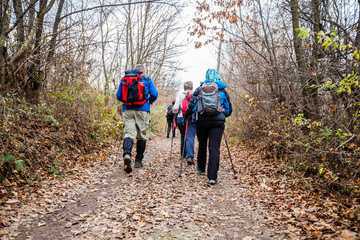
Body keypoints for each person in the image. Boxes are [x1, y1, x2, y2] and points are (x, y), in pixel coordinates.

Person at [184, 69, 232, 185]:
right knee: (214, 148)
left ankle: (201, 168)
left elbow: (192, 106)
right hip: (218, 122)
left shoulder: (200, 89)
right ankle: (212, 176)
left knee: (202, 144)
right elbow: (229, 110)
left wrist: (187, 115)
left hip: (202, 121)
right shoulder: (223, 90)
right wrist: (222, 114)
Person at [116, 64, 158, 173]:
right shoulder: (147, 79)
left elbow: (119, 95)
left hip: (127, 110)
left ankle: (127, 154)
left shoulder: (124, 79)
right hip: (142, 109)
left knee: (129, 133)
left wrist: (127, 102)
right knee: (141, 135)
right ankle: (138, 161)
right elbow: (154, 93)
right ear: (143, 71)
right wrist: (148, 100)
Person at [172, 81, 196, 165]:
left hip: (180, 118)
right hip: (191, 118)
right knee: (190, 136)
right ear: (192, 88)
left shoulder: (180, 95)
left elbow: (175, 108)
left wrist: (175, 111)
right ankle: (190, 156)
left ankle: (183, 154)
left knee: (183, 135)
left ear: (184, 88)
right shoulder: (194, 95)